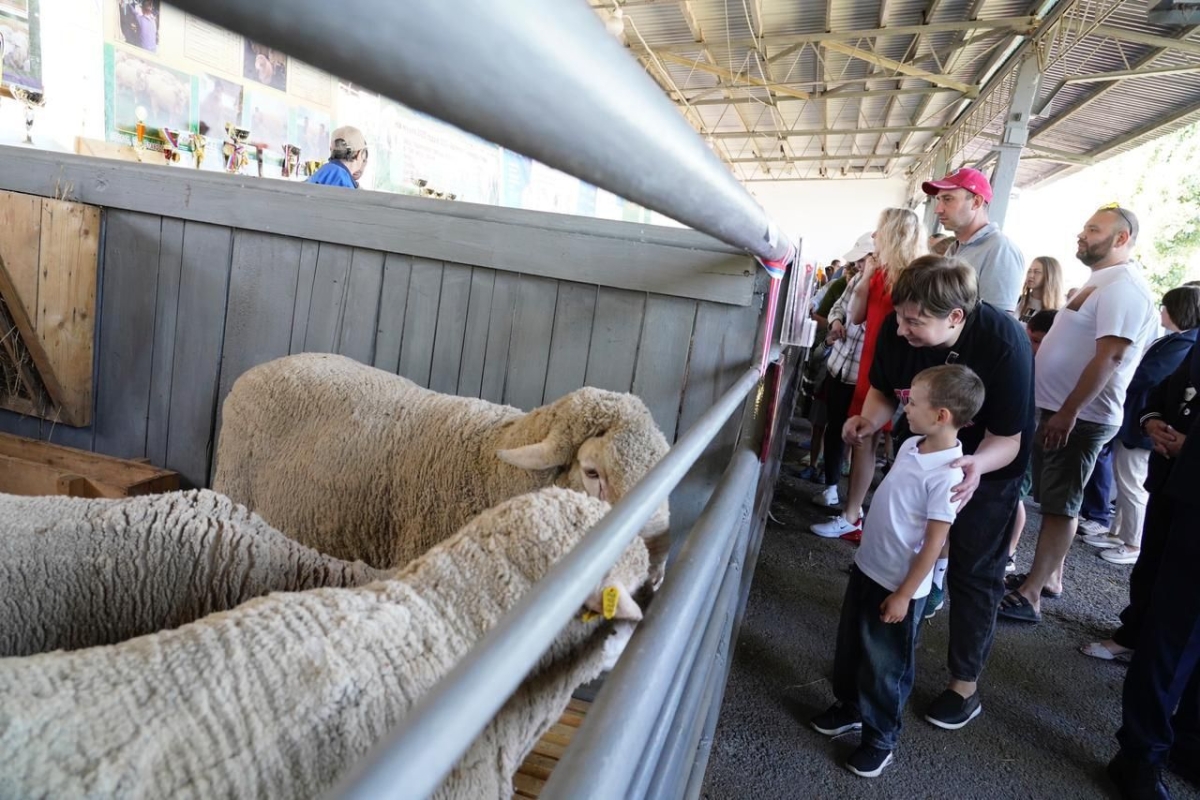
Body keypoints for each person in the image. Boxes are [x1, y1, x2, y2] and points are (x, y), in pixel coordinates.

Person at [843, 255, 1034, 729]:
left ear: (956, 318)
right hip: (924, 450)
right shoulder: (898, 327)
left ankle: (963, 683)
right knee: (906, 540)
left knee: (974, 568)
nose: (903, 329)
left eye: (916, 321)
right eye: (901, 316)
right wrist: (871, 420)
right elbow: (886, 388)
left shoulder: (1003, 343)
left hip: (987, 463)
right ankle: (902, 610)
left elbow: (1008, 439)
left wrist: (975, 466)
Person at [810, 365, 984, 778]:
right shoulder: (911, 446)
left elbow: (934, 543)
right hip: (870, 568)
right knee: (852, 647)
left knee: (886, 665)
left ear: (941, 415)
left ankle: (879, 737)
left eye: (914, 402)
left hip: (899, 584)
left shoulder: (948, 476)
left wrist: (906, 594)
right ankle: (850, 707)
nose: (905, 407)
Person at [1000, 205, 1158, 623]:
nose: (1082, 235)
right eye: (1085, 227)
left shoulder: (1124, 287)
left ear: (1121, 238)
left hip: (1081, 416)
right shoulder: (1101, 281)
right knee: (1054, 500)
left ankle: (1031, 594)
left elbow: (1111, 357)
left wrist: (1069, 410)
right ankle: (1048, 579)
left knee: (1061, 506)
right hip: (1061, 409)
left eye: (1094, 229)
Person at [1106, 343, 1200, 799]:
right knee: (1172, 637)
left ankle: (1188, 742)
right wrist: (1152, 423)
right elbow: (1166, 392)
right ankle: (1141, 754)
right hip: (1186, 501)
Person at [811, 209, 925, 540]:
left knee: (872, 441)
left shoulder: (913, 276)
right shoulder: (880, 272)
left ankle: (857, 515)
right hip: (870, 365)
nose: (874, 237)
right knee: (864, 441)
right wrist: (864, 277)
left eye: (879, 231)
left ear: (894, 234)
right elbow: (857, 316)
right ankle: (854, 513)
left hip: (892, 368)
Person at [1082, 285, 1200, 566]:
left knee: (1133, 483)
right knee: (1125, 480)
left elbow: (1149, 377)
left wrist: (1118, 381)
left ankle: (1133, 541)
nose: (1162, 311)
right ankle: (1119, 533)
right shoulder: (1175, 341)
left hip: (1148, 428)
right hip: (1141, 420)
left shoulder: (1183, 345)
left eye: (1166, 306)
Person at [922, 168, 1026, 314]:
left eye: (947, 199)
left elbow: (996, 323)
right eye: (938, 200)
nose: (938, 209)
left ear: (976, 202)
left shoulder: (1000, 249)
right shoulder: (954, 247)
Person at [814, 248, 870, 502]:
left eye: (864, 259)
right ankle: (832, 487)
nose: (859, 264)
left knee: (864, 437)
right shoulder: (858, 279)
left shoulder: (900, 282)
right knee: (836, 427)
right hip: (840, 366)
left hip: (867, 374)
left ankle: (853, 505)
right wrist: (836, 321)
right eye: (858, 260)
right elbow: (839, 307)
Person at [1007, 308, 1059, 572]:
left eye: (1039, 340)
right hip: (1018, 435)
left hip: (1034, 438)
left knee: (1016, 494)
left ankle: (1010, 551)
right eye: (1030, 338)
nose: (1032, 345)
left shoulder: (1055, 368)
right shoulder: (1023, 358)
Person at [1015, 257, 1065, 324]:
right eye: (1029, 271)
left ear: (1050, 276)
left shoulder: (1060, 310)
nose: (1031, 275)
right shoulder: (1018, 300)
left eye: (1037, 272)